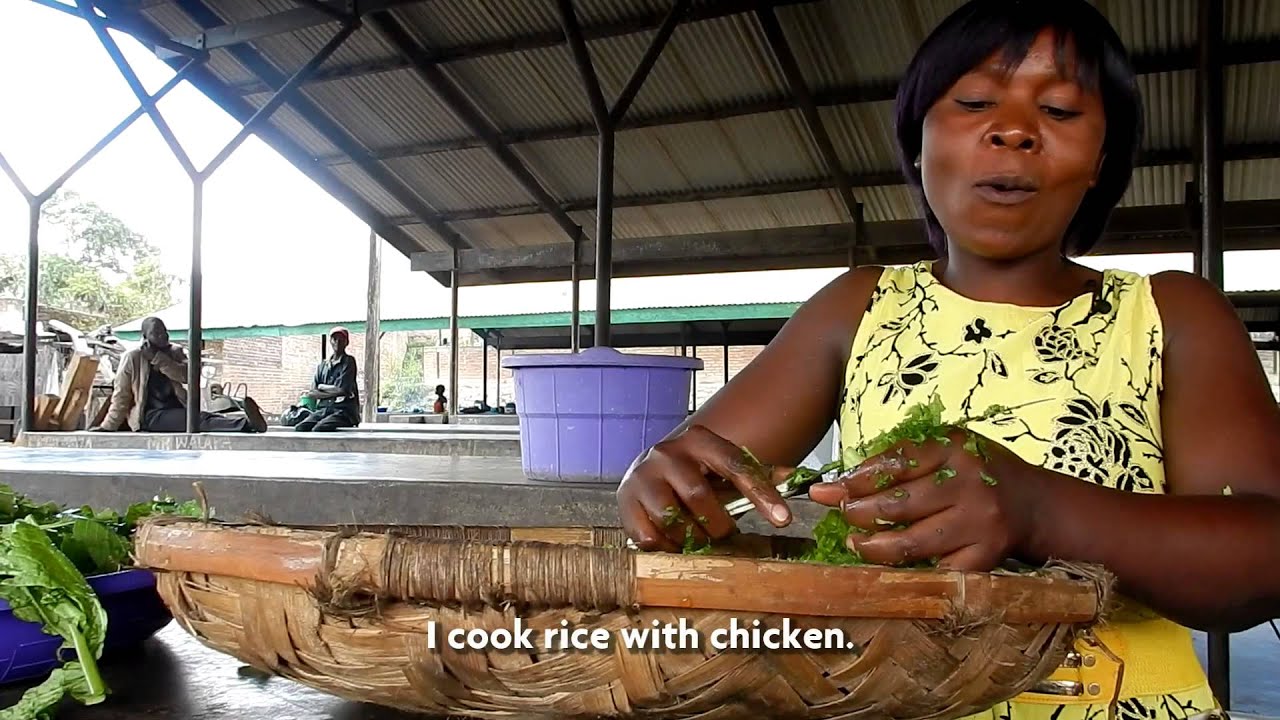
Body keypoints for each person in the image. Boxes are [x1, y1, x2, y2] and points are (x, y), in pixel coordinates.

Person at [617, 2, 1280, 719]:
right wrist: (657, 482)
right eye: (973, 101)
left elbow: (1264, 554)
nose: (1016, 129)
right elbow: (699, 485)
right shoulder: (859, 306)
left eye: (1059, 111)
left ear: (1101, 163)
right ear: (918, 142)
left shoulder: (1170, 314)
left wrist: (1038, 509)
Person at [94, 317, 267, 433]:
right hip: (151, 416)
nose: (163, 336)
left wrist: (158, 359)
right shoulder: (133, 357)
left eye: (164, 332)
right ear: (145, 336)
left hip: (176, 409)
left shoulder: (175, 353)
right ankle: (247, 424)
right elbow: (121, 395)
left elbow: (186, 376)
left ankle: (247, 423)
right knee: (200, 420)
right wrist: (108, 426)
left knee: (206, 417)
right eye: (156, 333)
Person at [297, 326, 360, 432]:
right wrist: (334, 390)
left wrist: (322, 387)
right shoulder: (323, 365)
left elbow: (343, 390)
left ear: (347, 342)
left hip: (343, 411)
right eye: (335, 339)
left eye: (341, 339)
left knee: (320, 428)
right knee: (301, 427)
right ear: (330, 341)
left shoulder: (348, 362)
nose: (338, 342)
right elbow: (312, 392)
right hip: (324, 409)